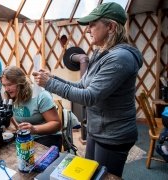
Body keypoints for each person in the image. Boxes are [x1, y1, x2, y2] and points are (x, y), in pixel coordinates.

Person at [33, 2, 143, 177]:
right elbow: (82, 86)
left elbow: (89, 96)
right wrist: (53, 78)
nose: (88, 29)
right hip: (98, 130)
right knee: (90, 174)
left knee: (103, 177)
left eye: (93, 25)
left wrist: (50, 84)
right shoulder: (101, 53)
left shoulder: (120, 58)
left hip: (113, 135)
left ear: (111, 27)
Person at [1, 66, 62, 149]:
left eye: (9, 85)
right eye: (4, 85)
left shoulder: (41, 96)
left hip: (47, 138)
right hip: (25, 138)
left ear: (21, 83)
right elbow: (12, 118)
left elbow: (57, 124)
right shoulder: (11, 97)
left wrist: (34, 129)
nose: (6, 89)